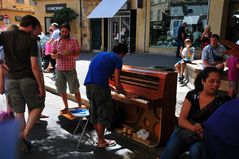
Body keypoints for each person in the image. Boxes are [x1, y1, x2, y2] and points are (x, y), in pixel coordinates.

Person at [160, 67, 230, 159]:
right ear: (203, 81)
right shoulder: (192, 96)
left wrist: (205, 132)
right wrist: (194, 128)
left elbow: (223, 125)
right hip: (186, 131)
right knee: (167, 155)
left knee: (196, 150)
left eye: (218, 81)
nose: (216, 84)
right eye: (211, 81)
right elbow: (181, 120)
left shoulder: (222, 100)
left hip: (205, 136)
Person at [0, 15, 45, 152]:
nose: (35, 32)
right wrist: (41, 86)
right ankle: (24, 135)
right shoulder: (30, 40)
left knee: (19, 112)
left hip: (12, 80)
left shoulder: (5, 35)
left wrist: (0, 62)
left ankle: (23, 143)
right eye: (35, 29)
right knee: (38, 105)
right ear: (30, 27)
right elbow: (34, 67)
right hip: (27, 79)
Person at [84, 43, 135, 148]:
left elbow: (97, 73)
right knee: (103, 114)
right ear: (123, 53)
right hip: (100, 89)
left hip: (89, 85)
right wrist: (126, 95)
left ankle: (100, 139)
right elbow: (117, 83)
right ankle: (101, 141)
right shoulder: (118, 60)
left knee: (95, 113)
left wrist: (110, 87)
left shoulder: (101, 54)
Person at [51, 23, 82, 114]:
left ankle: (79, 106)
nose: (64, 33)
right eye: (62, 31)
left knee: (75, 88)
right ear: (60, 31)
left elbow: (78, 53)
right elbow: (52, 55)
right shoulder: (56, 42)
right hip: (59, 69)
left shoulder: (74, 41)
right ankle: (66, 107)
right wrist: (55, 55)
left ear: (69, 32)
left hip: (70, 68)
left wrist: (70, 54)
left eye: (66, 32)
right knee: (61, 89)